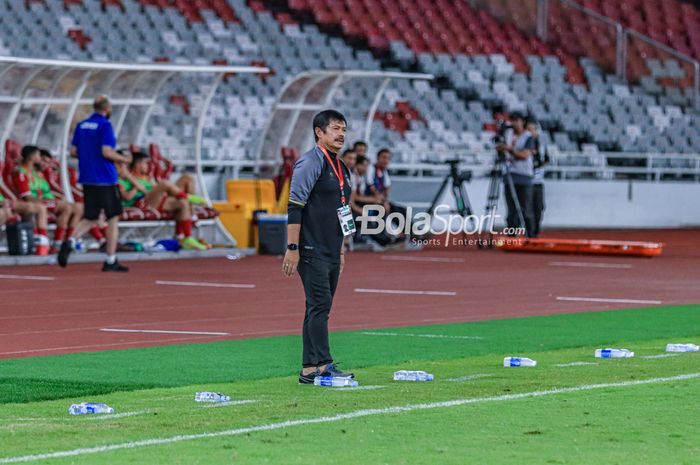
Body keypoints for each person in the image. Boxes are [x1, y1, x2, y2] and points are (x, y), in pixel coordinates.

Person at [282, 109, 355, 385]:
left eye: (344, 130)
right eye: (335, 129)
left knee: (317, 308)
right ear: (319, 132)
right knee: (320, 305)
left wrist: (342, 248)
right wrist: (292, 246)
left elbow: (342, 209)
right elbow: (295, 206)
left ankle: (309, 369)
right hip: (310, 248)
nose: (341, 135)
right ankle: (324, 365)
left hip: (331, 248)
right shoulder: (310, 163)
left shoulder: (340, 166)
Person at [58, 95, 131, 271]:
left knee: (91, 216)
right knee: (113, 217)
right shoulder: (105, 125)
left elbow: (74, 151)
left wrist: (89, 155)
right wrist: (124, 159)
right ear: (107, 109)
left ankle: (70, 240)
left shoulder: (81, 125)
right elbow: (106, 152)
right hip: (105, 177)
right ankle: (110, 260)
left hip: (87, 177)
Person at [119, 151, 207, 250]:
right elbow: (134, 194)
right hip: (143, 204)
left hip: (159, 200)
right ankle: (190, 203)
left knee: (186, 185)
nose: (148, 166)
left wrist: (155, 187)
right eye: (145, 163)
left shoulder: (147, 178)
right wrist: (132, 180)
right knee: (165, 184)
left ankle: (184, 238)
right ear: (137, 164)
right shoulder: (125, 178)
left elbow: (152, 188)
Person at [13, 145, 83, 253]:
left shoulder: (38, 173)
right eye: (38, 155)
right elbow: (27, 196)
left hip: (45, 202)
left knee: (78, 208)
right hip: (38, 203)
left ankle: (67, 242)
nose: (39, 158)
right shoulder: (21, 172)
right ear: (31, 157)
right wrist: (45, 201)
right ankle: (55, 244)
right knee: (66, 207)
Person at [496, 112, 535, 237]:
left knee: (525, 209)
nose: (514, 123)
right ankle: (512, 235)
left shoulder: (528, 136)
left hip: (524, 176)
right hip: (509, 175)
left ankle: (530, 236)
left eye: (517, 120)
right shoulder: (508, 135)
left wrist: (509, 149)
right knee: (511, 210)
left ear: (522, 122)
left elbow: (524, 155)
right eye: (512, 120)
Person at [528, 120, 549, 237]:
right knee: (527, 209)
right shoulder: (524, 145)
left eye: (534, 130)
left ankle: (535, 232)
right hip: (527, 181)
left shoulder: (541, 146)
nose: (532, 132)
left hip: (538, 181)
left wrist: (539, 165)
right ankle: (529, 232)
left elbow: (546, 159)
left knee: (539, 207)